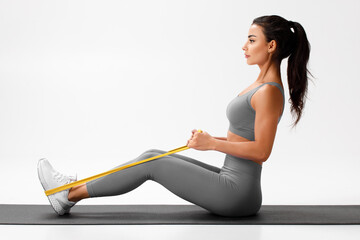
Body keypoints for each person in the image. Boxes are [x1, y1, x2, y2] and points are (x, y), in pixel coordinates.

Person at [37, 15, 311, 217]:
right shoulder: (260, 86)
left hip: (237, 193)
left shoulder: (269, 92)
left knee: (150, 163)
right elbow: (242, 137)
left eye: (252, 40)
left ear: (271, 45)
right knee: (154, 153)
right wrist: (208, 139)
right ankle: (72, 189)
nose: (244, 46)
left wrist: (212, 145)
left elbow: (262, 151)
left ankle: (68, 195)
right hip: (233, 181)